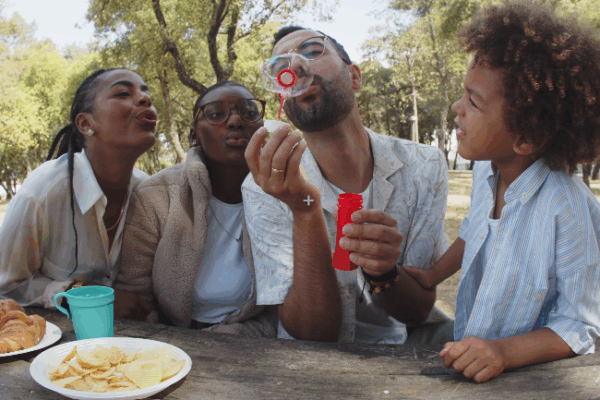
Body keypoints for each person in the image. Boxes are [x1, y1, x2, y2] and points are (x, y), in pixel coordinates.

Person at [403, 1, 600, 383]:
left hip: (528, 379)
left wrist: (502, 352)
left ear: (525, 136)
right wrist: (432, 277)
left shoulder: (566, 206)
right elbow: (476, 232)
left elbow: (580, 323)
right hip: (473, 354)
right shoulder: (485, 170)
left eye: (474, 101)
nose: (457, 108)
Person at [242, 27, 450, 344]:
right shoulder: (264, 185)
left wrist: (385, 271)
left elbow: (416, 313)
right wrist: (304, 210)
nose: (294, 68)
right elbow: (312, 333)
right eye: (280, 65)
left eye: (312, 51)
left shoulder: (425, 166)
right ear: (283, 96)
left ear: (354, 76)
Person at [114, 81, 278, 337]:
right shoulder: (155, 196)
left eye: (248, 111)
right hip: (171, 345)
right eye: (215, 114)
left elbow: (283, 306)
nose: (235, 121)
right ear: (194, 136)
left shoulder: (283, 195)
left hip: (255, 345)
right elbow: (136, 300)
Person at [0, 68, 156, 311]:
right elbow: (7, 287)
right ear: (85, 123)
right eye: (123, 93)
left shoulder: (147, 191)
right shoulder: (43, 192)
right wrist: (79, 293)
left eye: (148, 97)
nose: (146, 100)